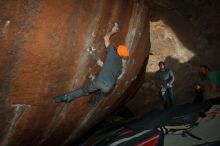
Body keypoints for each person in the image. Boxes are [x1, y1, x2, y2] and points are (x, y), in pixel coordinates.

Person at [53, 22, 129, 106]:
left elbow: (106, 38)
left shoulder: (112, 53)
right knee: (105, 89)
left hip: (99, 81)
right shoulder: (120, 67)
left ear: (117, 50)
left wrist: (113, 31)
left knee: (84, 91)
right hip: (108, 87)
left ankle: (67, 97)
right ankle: (96, 100)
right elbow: (114, 77)